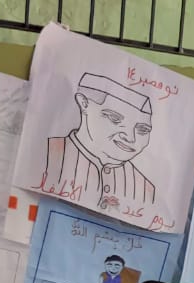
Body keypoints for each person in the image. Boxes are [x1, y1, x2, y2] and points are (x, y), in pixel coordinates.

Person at [40, 74, 156, 213]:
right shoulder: (43, 154)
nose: (131, 138)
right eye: (114, 119)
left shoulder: (146, 190)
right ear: (84, 103)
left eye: (143, 130)